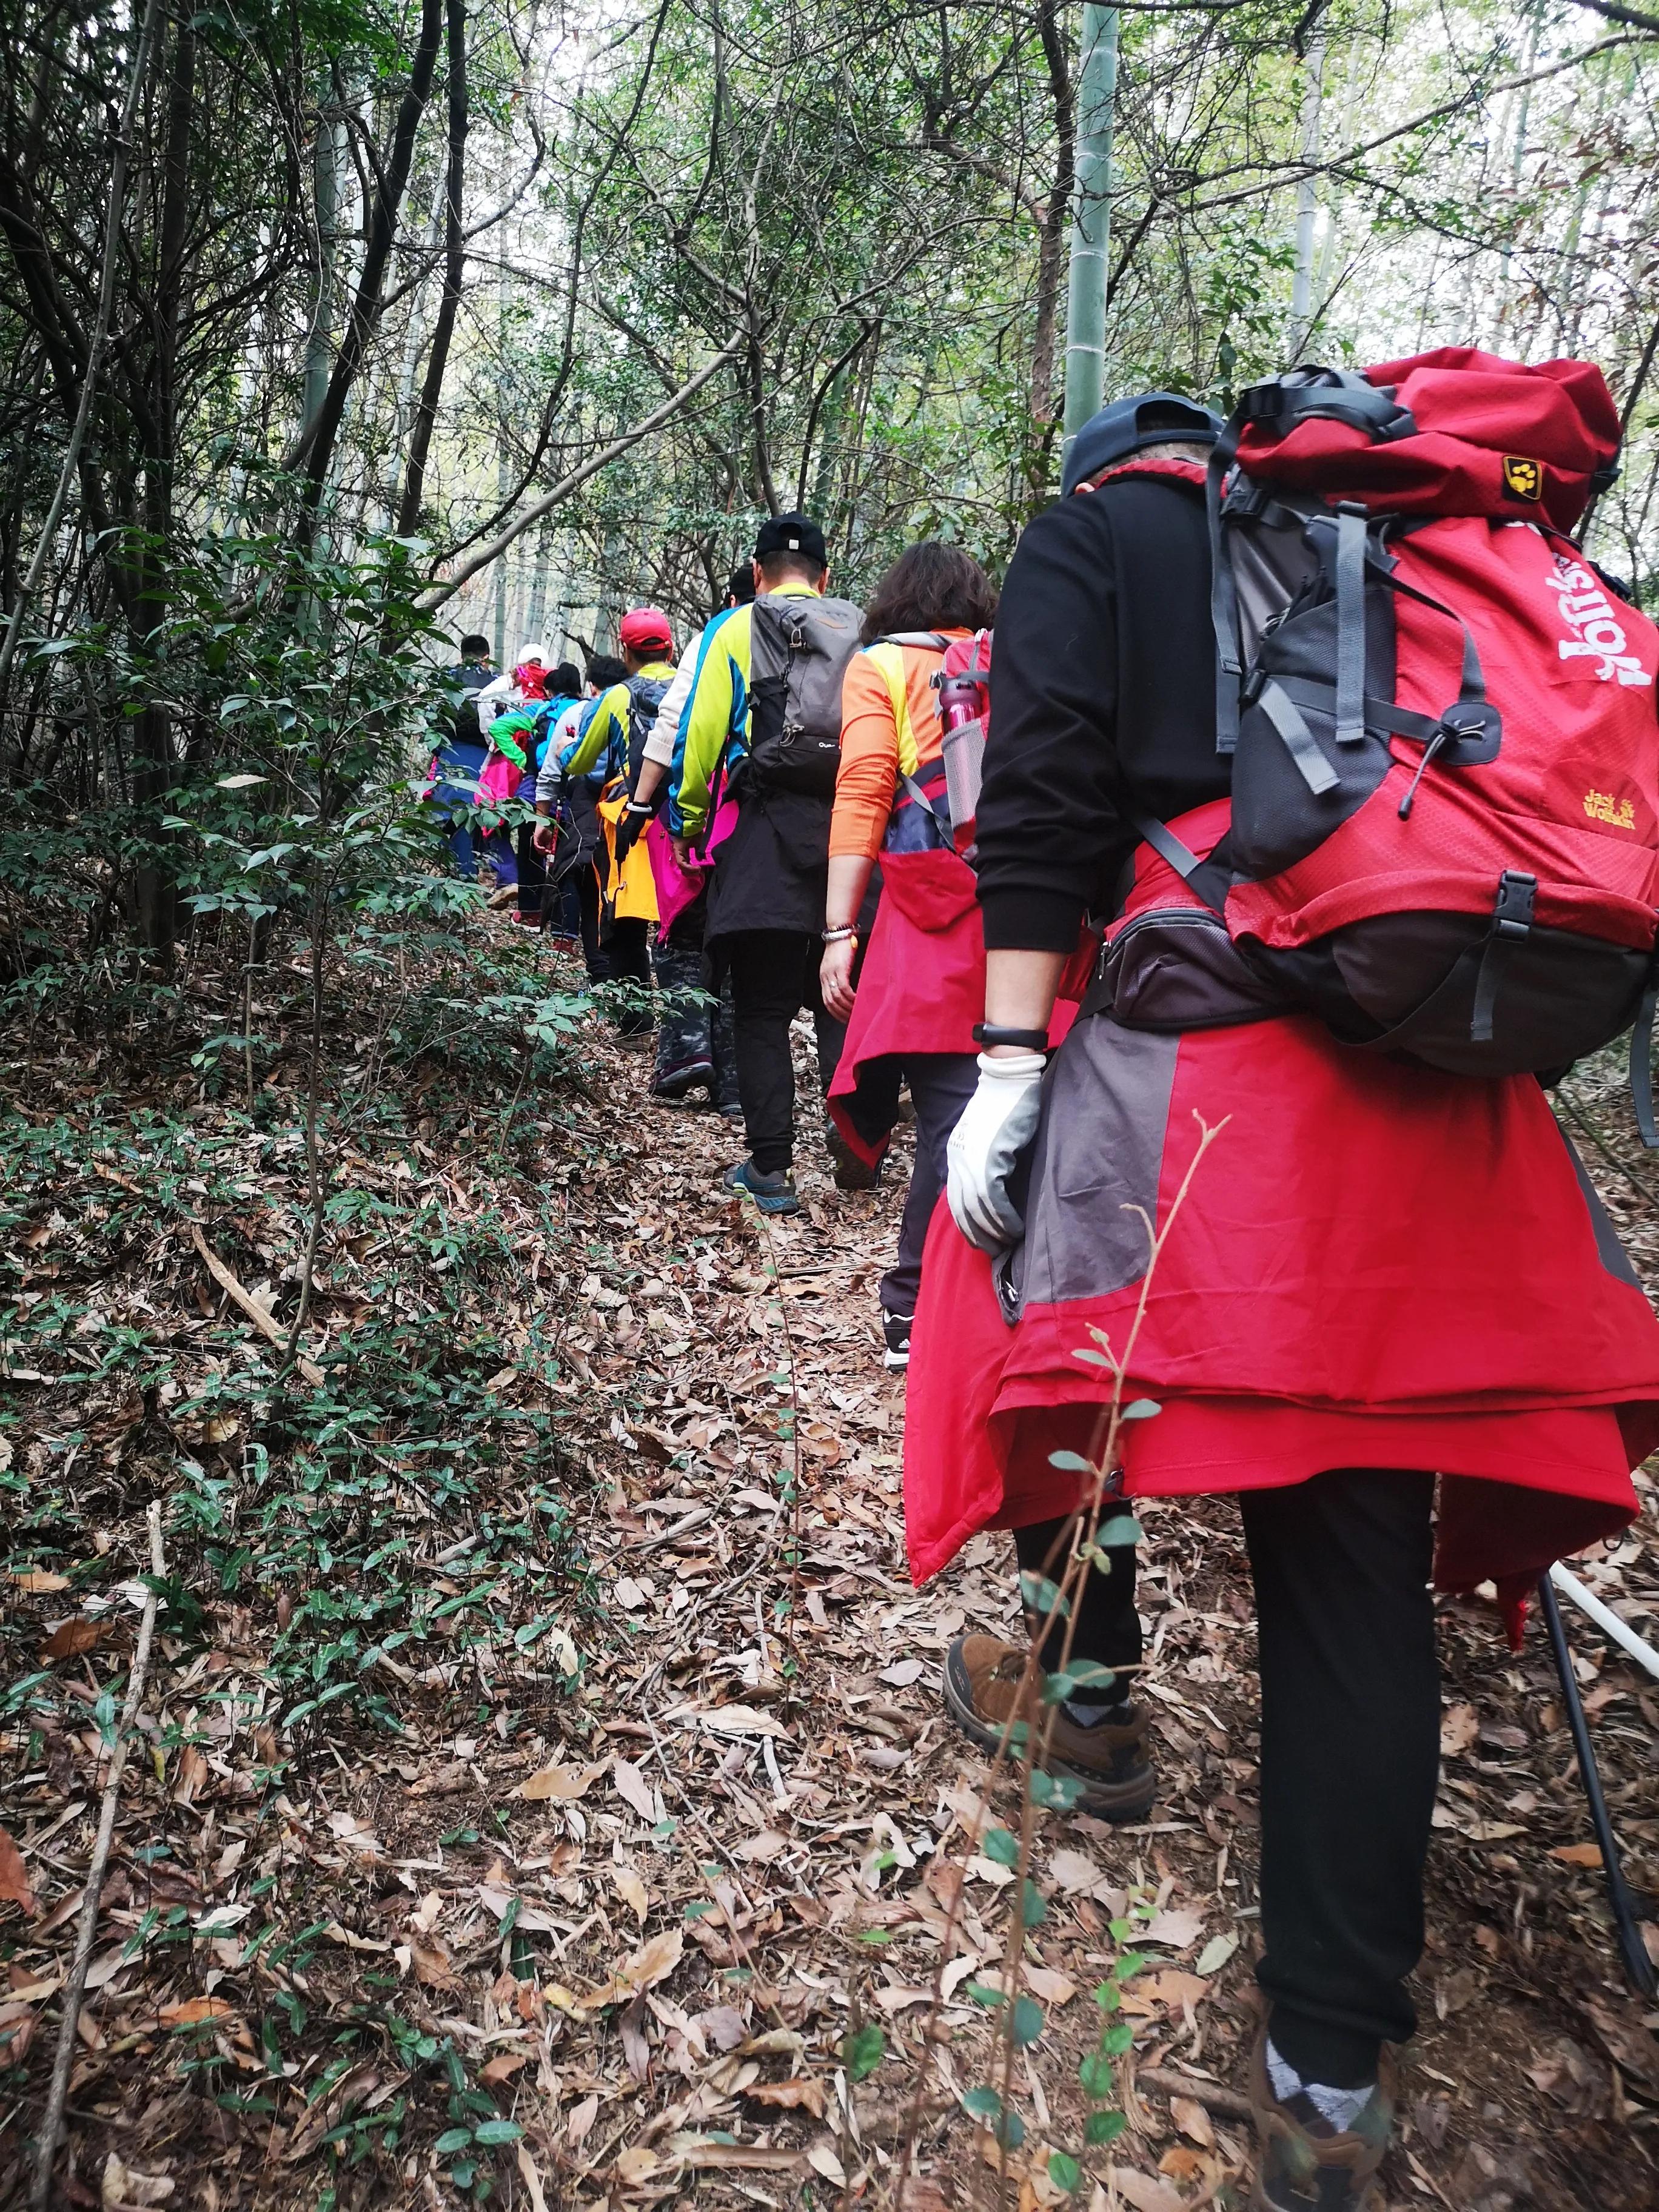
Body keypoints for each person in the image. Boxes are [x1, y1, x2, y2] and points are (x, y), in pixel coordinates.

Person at [902, 384, 1659, 2208]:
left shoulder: (1098, 534)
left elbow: (1044, 808)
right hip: (1422, 1088)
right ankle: (1326, 2076)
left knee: (1076, 1383)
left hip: (1201, 1079)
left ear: (1103, 465)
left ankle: (1087, 1708)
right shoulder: (1395, 544)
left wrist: (1002, 1066)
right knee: (1348, 1558)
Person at [819, 542, 1002, 1367]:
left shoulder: (883, 666)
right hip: (1026, 910)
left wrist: (838, 932)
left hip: (928, 912)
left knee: (948, 1116)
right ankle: (989, 1299)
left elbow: (863, 788)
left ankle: (914, 1305)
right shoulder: (1013, 658)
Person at [665, 515, 863, 1215]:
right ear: (825, 576)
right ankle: (857, 1139)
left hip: (764, 839)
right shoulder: (861, 633)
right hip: (848, 837)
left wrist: (688, 821)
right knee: (841, 999)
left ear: (756, 573)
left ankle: (771, 1168)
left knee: (761, 1011)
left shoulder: (734, 627)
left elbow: (700, 735)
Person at [629, 567, 755, 1111]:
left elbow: (677, 724)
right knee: (741, 945)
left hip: (714, 803)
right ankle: (737, 1087)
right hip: (784, 819)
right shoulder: (826, 630)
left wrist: (648, 805)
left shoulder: (720, 633)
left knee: (683, 928)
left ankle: (687, 1050)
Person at [548, 615, 675, 1040]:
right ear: (670, 649)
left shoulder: (617, 696)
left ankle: (635, 1026)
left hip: (630, 821)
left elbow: (582, 760)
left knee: (625, 922)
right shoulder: (691, 686)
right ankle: (690, 1035)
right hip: (685, 818)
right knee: (685, 928)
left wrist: (564, 749)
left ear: (626, 652)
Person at [510, 661, 582, 930]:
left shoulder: (544, 710)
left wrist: (522, 760)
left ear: (551, 690)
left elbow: (502, 726)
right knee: (566, 854)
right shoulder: (587, 709)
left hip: (538, 788)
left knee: (531, 849)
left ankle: (530, 911)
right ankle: (562, 921)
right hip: (575, 789)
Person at [429, 632, 499, 878]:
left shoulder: (448, 677)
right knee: (478, 816)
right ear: (486, 657)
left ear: (462, 656)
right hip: (486, 759)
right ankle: (471, 873)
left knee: (447, 814)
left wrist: (438, 749)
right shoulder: (496, 682)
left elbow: (432, 717)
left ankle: (453, 872)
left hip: (451, 754)